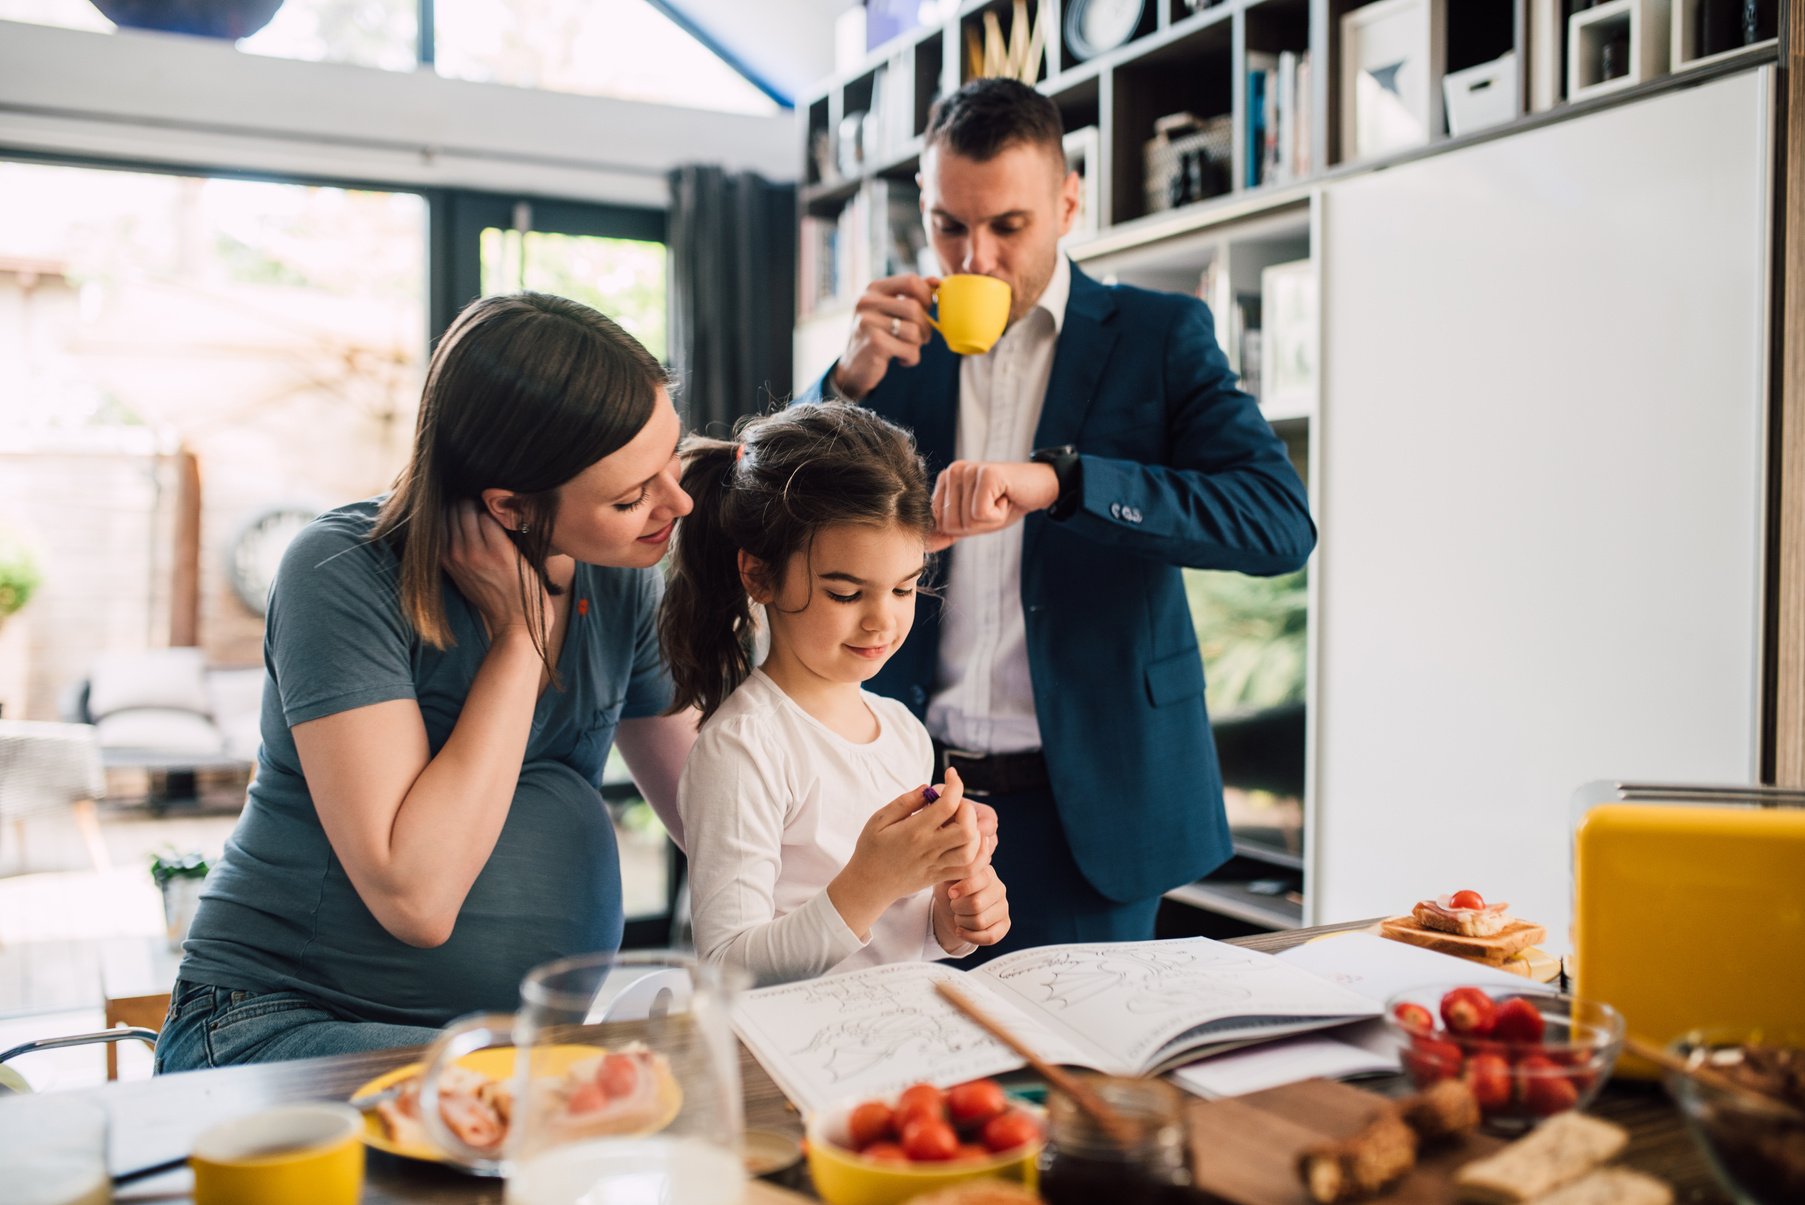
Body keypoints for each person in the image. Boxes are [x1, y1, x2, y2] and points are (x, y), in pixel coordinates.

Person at [797, 79, 1316, 960]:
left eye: (1007, 226)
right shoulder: (894, 350)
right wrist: (837, 387)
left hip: (1092, 805)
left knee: (1075, 1078)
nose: (975, 260)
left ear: (1068, 202)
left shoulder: (1159, 336)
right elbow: (779, 519)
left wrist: (1063, 483)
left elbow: (1276, 522)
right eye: (948, 226)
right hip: (907, 788)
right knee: (899, 1065)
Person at [156, 292, 699, 1071]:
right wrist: (519, 642)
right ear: (509, 505)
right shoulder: (340, 574)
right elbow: (417, 897)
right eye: (629, 496)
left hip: (499, 1047)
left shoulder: (619, 577)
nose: (673, 503)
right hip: (280, 1022)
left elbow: (719, 818)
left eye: (669, 459)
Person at [660, 402, 1011, 986]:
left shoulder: (901, 729)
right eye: (847, 594)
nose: (881, 622)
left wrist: (948, 917)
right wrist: (869, 881)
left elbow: (899, 937)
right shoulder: (744, 749)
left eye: (903, 589)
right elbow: (726, 966)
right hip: (790, 1059)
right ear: (759, 575)